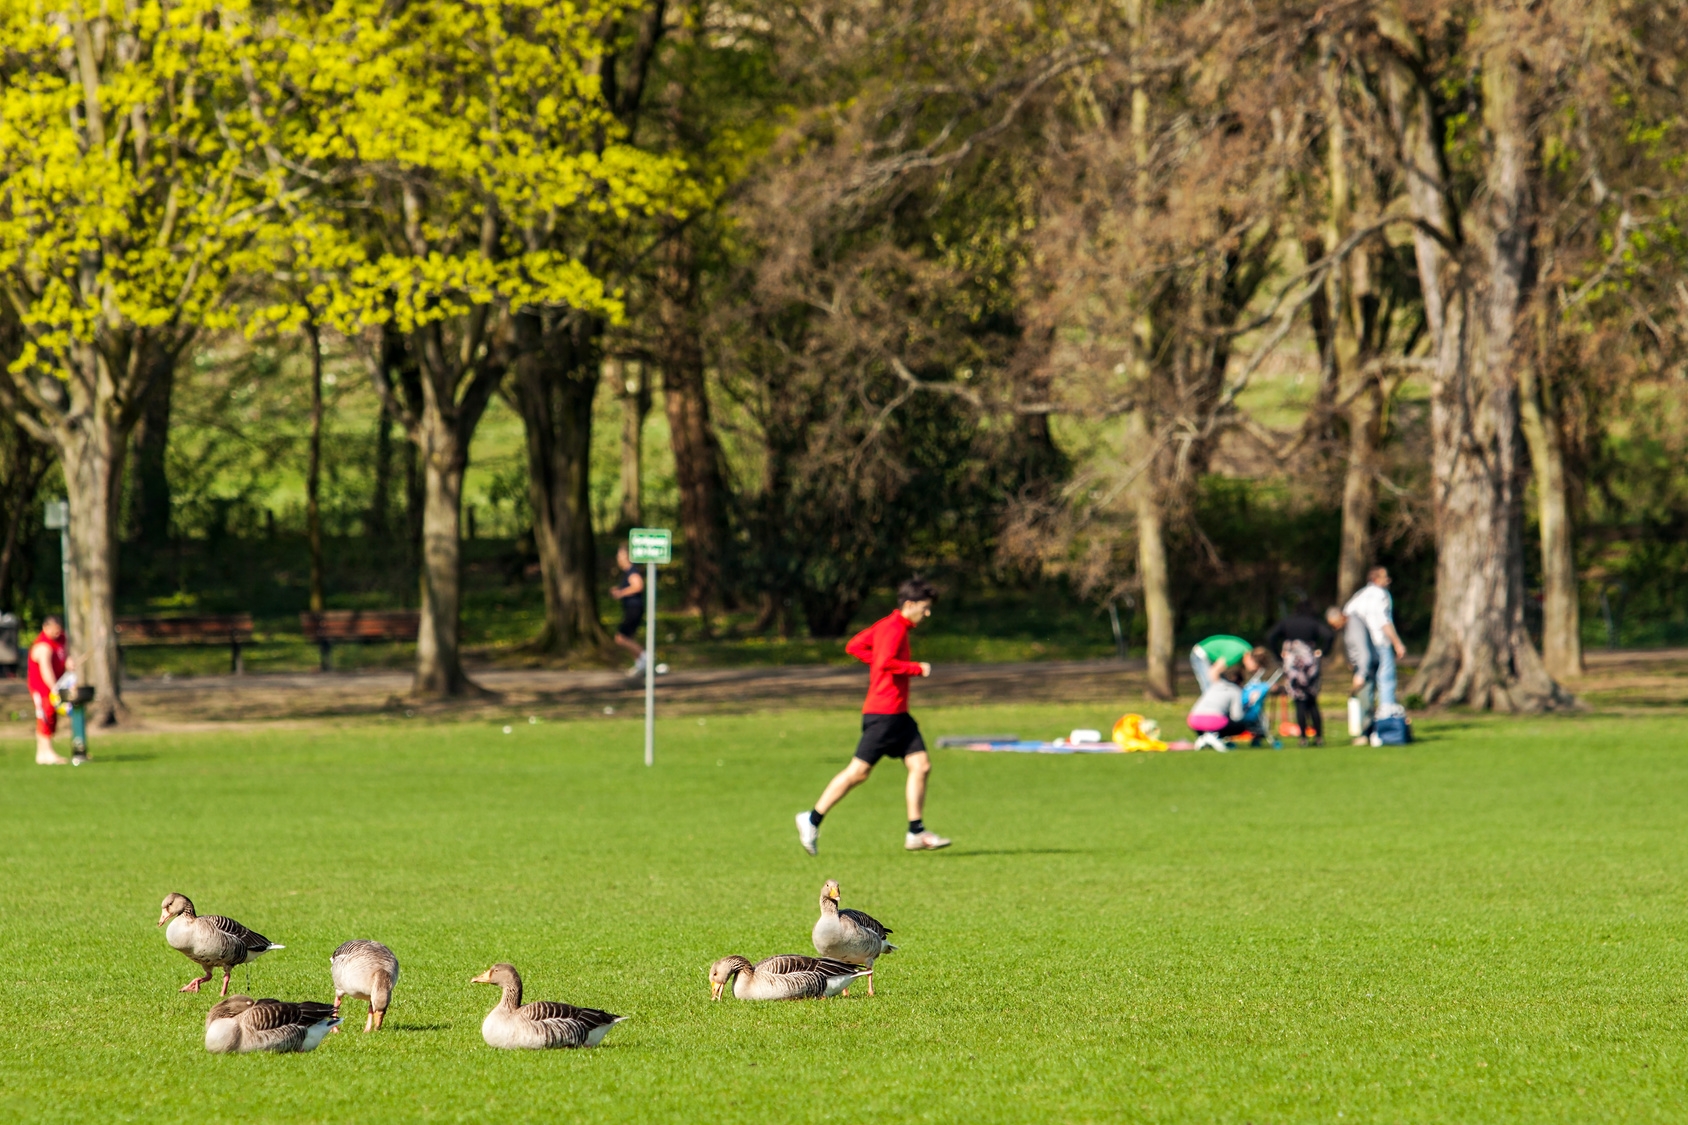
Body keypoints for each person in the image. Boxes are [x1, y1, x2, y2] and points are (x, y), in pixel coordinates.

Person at [796, 577, 950, 855]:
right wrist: (916, 668)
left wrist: (879, 664)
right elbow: (885, 661)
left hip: (898, 714)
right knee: (858, 772)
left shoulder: (888, 625)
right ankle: (812, 818)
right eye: (924, 608)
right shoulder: (894, 629)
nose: (927, 614)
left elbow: (854, 646)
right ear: (910, 604)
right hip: (884, 714)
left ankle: (916, 831)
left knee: (921, 765)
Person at [1266, 600, 1335, 746]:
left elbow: (1270, 636)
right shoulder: (1313, 622)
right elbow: (1329, 635)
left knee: (1299, 702)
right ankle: (1319, 737)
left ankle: (1303, 738)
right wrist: (1324, 652)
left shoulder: (1287, 622)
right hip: (1310, 664)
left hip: (1293, 666)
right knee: (1312, 701)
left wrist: (1278, 656)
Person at [1342, 567, 1407, 713]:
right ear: (1376, 579)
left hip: (1362, 647)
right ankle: (1387, 715)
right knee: (1386, 680)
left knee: (1367, 682)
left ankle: (1366, 717)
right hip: (1380, 643)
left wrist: (1351, 654)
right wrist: (1397, 643)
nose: (1388, 580)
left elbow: (1346, 618)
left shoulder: (1360, 595)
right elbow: (1384, 621)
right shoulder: (1381, 595)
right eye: (1385, 577)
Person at [28, 616, 75, 766]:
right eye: (53, 629)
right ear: (45, 628)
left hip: (58, 684)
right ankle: (45, 752)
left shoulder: (62, 639)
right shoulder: (43, 646)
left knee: (53, 717)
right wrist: (55, 688)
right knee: (45, 717)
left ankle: (44, 753)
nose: (56, 632)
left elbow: (64, 655)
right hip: (42, 688)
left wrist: (69, 663)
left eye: (58, 629)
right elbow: (45, 670)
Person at [1327, 604, 1375, 744]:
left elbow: (1364, 653)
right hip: (1358, 668)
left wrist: (1361, 674)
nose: (1335, 628)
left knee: (1366, 701)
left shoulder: (1355, 625)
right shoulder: (1347, 627)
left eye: (1334, 624)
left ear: (1341, 616)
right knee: (1363, 700)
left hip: (1365, 670)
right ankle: (1367, 733)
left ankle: (1368, 734)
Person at [1186, 667, 1265, 751]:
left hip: (1194, 720)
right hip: (1214, 722)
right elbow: (1237, 716)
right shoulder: (1235, 690)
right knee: (1240, 725)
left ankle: (1205, 737)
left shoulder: (1213, 687)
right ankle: (1213, 737)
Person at [609, 543, 647, 677]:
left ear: (627, 556)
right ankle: (640, 664)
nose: (618, 558)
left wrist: (621, 593)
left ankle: (645, 658)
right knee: (629, 637)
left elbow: (638, 585)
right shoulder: (628, 572)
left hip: (634, 608)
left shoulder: (632, 571)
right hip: (631, 608)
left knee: (621, 637)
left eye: (620, 555)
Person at [1189, 634, 1263, 693]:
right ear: (1251, 659)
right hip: (1201, 653)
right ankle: (1209, 710)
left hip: (1212, 659)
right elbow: (1213, 672)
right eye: (1255, 668)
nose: (1254, 671)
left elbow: (1239, 677)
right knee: (1209, 689)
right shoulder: (1235, 654)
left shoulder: (1248, 650)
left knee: (1226, 686)